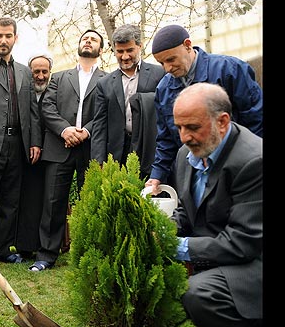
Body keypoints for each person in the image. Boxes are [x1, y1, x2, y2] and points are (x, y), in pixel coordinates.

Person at [171, 82, 262, 327]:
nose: (184, 137)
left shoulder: (253, 160)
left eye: (192, 127)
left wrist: (177, 246)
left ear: (222, 121)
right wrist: (158, 232)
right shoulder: (189, 153)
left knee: (201, 293)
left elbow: (243, 242)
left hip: (254, 260)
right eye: (179, 127)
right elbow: (188, 211)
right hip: (223, 253)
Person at [145, 24, 263, 194]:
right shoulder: (163, 89)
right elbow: (166, 139)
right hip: (195, 175)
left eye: (171, 59)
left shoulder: (230, 70)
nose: (167, 68)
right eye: (161, 63)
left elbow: (256, 120)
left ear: (187, 45)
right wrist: (157, 176)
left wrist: (254, 164)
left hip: (239, 169)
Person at [29, 29, 107, 272]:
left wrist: (86, 131)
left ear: (100, 49)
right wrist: (65, 130)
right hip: (59, 146)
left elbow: (107, 112)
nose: (88, 41)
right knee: (52, 203)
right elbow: (47, 107)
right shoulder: (59, 78)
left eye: (94, 39)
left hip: (90, 148)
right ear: (79, 45)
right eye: (85, 38)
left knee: (89, 202)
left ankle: (86, 254)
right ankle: (46, 255)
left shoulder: (108, 79)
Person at [0, 17, 41, 268]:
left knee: (10, 199)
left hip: (18, 144)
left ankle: (4, 248)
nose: (3, 40)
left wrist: (35, 141)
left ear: (15, 38)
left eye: (8, 36)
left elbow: (33, 111)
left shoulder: (25, 71)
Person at [91, 24, 165, 179]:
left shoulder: (160, 74)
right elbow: (99, 124)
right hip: (118, 152)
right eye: (120, 51)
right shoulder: (104, 83)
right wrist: (98, 159)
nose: (125, 56)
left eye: (129, 50)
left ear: (139, 46)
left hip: (150, 149)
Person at [15, 51, 53, 260]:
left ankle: (44, 244)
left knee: (46, 200)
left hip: (51, 152)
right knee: (27, 200)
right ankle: (25, 245)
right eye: (36, 71)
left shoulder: (55, 90)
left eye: (44, 71)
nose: (40, 76)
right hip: (26, 152)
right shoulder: (23, 90)